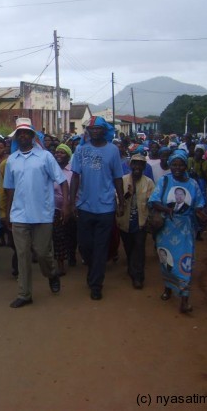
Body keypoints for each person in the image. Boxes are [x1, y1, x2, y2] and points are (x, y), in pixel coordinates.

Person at [4, 118, 69, 308]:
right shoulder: (11, 161)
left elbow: (62, 181)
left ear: (32, 136)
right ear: (16, 137)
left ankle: (52, 273)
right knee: (23, 254)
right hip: (19, 215)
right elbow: (9, 189)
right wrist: (7, 213)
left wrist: (65, 205)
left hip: (42, 213)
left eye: (27, 132)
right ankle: (24, 294)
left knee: (42, 253)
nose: (23, 135)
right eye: (20, 133)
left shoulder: (45, 157)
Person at [69, 116, 124, 301]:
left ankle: (96, 284)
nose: (93, 131)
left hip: (106, 207)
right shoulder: (80, 150)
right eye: (90, 129)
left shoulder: (113, 150)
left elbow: (117, 177)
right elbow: (75, 176)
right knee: (85, 247)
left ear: (104, 130)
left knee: (100, 248)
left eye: (97, 128)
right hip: (84, 205)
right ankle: (93, 272)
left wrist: (121, 201)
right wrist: (71, 202)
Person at [149, 149, 207, 314]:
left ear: (185, 166)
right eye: (174, 164)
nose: (177, 168)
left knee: (185, 263)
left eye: (181, 165)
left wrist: (201, 215)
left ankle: (184, 300)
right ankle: (168, 287)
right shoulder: (164, 180)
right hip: (166, 228)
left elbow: (198, 205)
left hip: (185, 230)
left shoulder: (193, 184)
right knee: (167, 262)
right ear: (170, 165)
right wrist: (167, 211)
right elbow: (154, 201)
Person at [116, 153, 155, 289]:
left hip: (141, 222)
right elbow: (117, 201)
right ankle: (132, 268)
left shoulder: (149, 182)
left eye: (140, 164)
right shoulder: (123, 180)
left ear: (144, 166)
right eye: (135, 163)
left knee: (139, 249)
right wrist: (128, 194)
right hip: (125, 222)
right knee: (129, 248)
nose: (137, 166)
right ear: (130, 165)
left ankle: (138, 277)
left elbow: (152, 203)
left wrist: (151, 220)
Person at [51, 144, 76, 276]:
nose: (58, 155)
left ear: (68, 155)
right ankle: (60, 264)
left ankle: (72, 255)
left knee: (71, 234)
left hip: (71, 207)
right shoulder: (51, 170)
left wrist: (72, 206)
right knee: (58, 236)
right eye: (57, 152)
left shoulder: (73, 171)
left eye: (62, 153)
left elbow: (77, 190)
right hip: (54, 208)